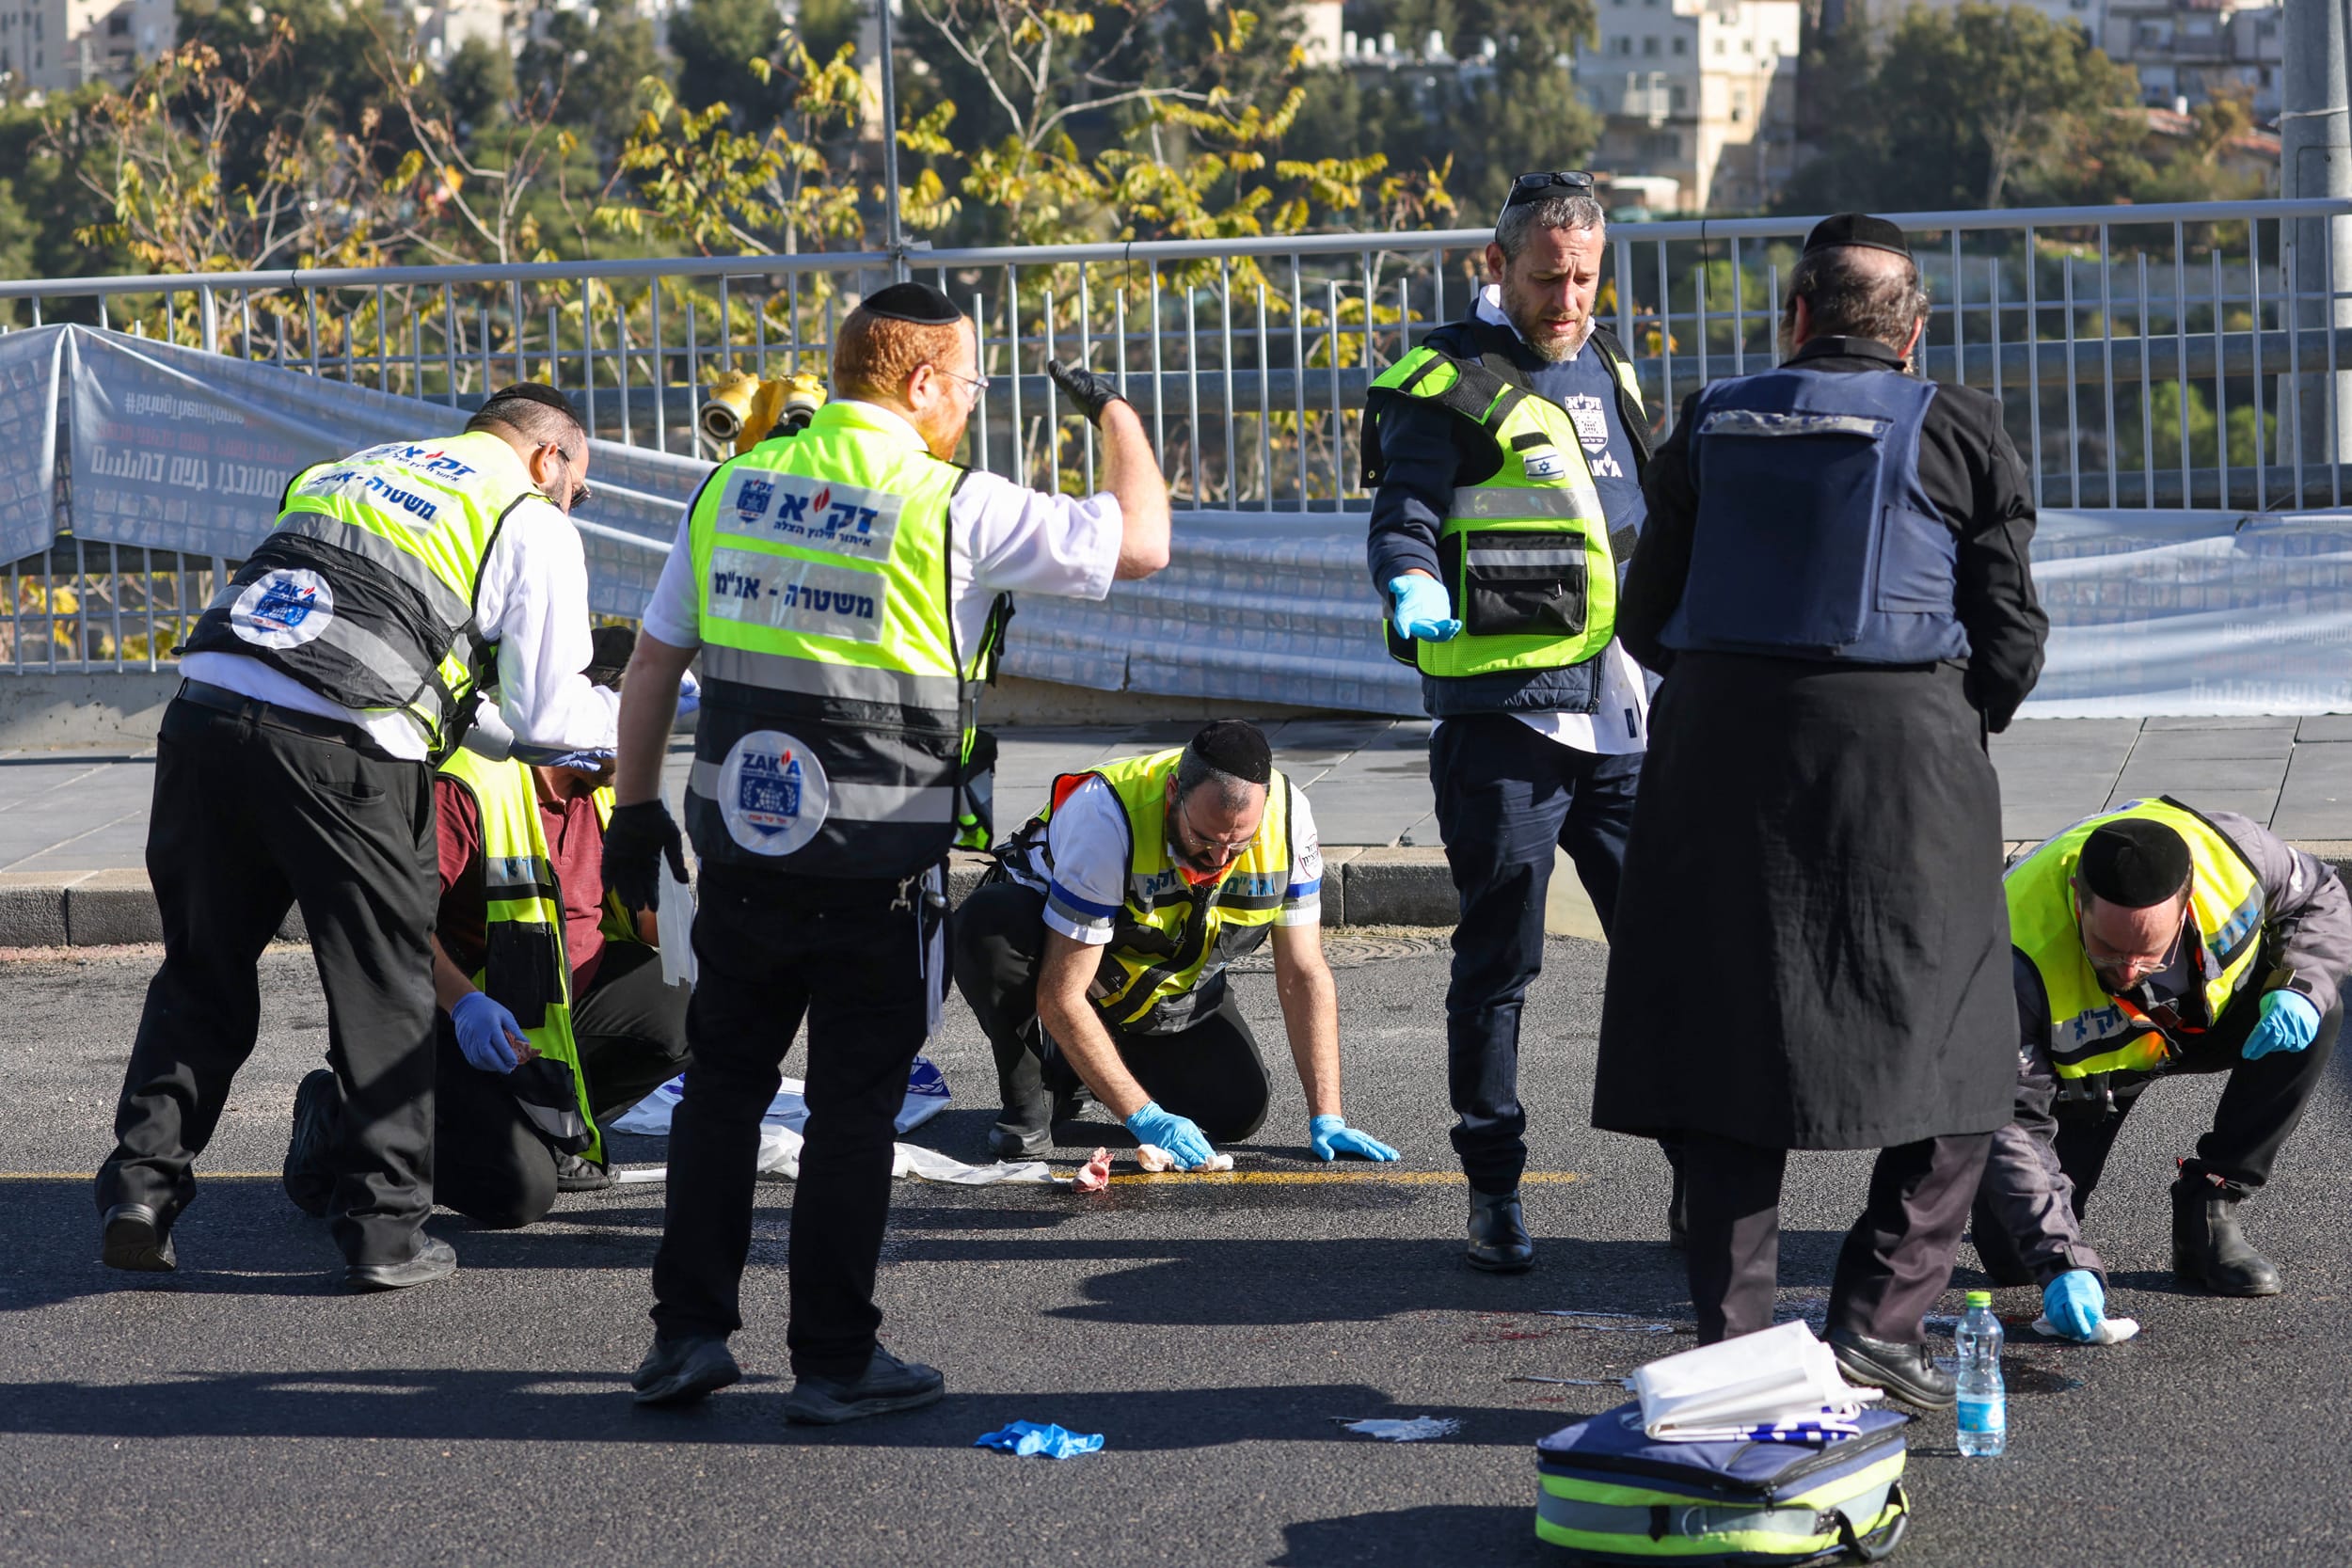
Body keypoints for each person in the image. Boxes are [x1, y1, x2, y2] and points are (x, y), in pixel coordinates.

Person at [603, 281, 1171, 1422]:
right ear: (919, 384)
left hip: (744, 859)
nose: (969, 407)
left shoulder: (730, 486)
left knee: (722, 1094)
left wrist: (630, 815)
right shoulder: (950, 504)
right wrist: (1111, 409)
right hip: (875, 870)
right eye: (967, 385)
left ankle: (685, 1336)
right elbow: (1143, 539)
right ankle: (833, 1359)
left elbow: (653, 664)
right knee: (853, 1114)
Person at [1591, 214, 2049, 1409]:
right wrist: (1949, 722)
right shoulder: (1958, 423)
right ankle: (1876, 1319)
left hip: (1714, 750)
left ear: (1792, 320)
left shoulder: (1710, 417)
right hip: (1902, 752)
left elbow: (1646, 621)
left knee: (1722, 1042)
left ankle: (1733, 1346)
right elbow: (2010, 635)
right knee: (1958, 1038)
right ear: (1913, 336)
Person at [97, 385, 621, 1291]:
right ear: (553, 457)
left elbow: (390, 646)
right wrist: (643, 713)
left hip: (206, 719)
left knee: (202, 970)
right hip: (344, 752)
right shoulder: (529, 521)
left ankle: (139, 1192)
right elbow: (550, 716)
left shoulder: (347, 474)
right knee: (384, 987)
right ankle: (384, 1230)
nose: (574, 503)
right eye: (580, 485)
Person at [1362, 170, 1657, 1273]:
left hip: (1622, 714)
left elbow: (1641, 511)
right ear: (1495, 267)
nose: (1569, 298)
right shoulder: (1442, 378)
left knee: (1668, 954)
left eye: (1585, 277)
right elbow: (1403, 516)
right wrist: (1406, 581)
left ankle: (1699, 1175)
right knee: (1501, 961)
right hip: (1504, 720)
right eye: (1547, 277)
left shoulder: (1608, 362)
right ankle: (1493, 1185)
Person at [280, 629, 693, 1229]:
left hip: (551, 1006)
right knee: (517, 1194)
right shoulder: (470, 785)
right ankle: (343, 1121)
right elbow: (389, 921)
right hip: (458, 1022)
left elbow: (654, 923)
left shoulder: (607, 789)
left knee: (702, 1012)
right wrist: (466, 1004)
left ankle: (551, 1125)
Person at [952, 720, 1399, 1168]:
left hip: (1159, 982)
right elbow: (1060, 993)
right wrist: (1144, 1116)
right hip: (1063, 961)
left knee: (1237, 1111)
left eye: (1238, 843)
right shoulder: (1106, 817)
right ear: (1172, 795)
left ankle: (1086, 1064)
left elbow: (1303, 973)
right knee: (990, 927)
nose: (1220, 860)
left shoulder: (1290, 819)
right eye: (1204, 839)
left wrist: (1328, 1116)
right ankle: (1031, 1100)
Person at [1976, 805, 2350, 1339]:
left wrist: (2303, 988)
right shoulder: (2008, 950)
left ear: (2186, 899)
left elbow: (2321, 896)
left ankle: (2212, 1203)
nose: (2128, 972)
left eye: (2150, 951)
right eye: (2107, 949)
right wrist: (2061, 1261)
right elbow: (2011, 1117)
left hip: (2199, 1024)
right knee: (2014, 1259)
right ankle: (2003, 1197)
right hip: (2085, 1071)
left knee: (2319, 1007)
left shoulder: (2234, 852)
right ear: (2078, 898)